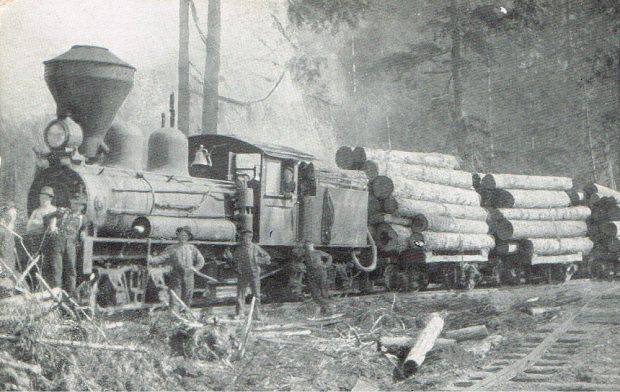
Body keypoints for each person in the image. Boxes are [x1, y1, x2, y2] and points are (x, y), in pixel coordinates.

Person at [148, 226, 205, 308]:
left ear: (188, 237)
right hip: (176, 275)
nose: (183, 237)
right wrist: (151, 259)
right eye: (181, 235)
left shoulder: (192, 248)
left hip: (189, 275)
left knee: (187, 297)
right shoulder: (171, 248)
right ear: (178, 236)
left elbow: (201, 260)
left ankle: (185, 315)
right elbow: (161, 258)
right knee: (175, 297)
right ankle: (174, 316)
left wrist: (195, 269)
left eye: (185, 236)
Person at [44, 195, 87, 296]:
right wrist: (55, 213)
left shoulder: (83, 218)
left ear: (82, 207)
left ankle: (71, 295)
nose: (74, 206)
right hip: (58, 243)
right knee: (56, 269)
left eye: (77, 204)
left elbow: (86, 230)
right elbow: (46, 218)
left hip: (71, 245)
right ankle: (56, 294)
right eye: (73, 203)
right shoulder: (64, 213)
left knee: (71, 270)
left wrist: (84, 233)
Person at [232, 229, 271, 319]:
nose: (244, 240)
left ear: (250, 238)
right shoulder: (239, 249)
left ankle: (257, 314)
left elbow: (267, 257)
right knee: (240, 294)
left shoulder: (256, 248)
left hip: (254, 274)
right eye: (243, 238)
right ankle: (239, 313)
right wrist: (236, 266)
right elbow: (234, 259)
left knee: (256, 294)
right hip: (243, 274)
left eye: (246, 238)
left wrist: (258, 261)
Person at [25, 186, 57, 289]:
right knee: (35, 265)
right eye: (41, 197)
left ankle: (45, 288)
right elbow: (28, 228)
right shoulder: (36, 211)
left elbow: (51, 227)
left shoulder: (53, 210)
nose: (42, 199)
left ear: (50, 198)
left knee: (46, 265)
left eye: (45, 197)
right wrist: (41, 224)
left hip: (47, 241)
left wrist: (36, 224)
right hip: (35, 241)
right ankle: (35, 288)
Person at [303, 240, 332, 316]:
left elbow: (329, 256)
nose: (308, 246)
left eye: (309, 244)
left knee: (323, 290)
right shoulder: (305, 254)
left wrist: (326, 265)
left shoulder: (318, 252)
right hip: (311, 273)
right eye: (307, 245)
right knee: (315, 292)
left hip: (320, 272)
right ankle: (324, 307)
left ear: (312, 245)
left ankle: (327, 309)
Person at [0, 202, 19, 287]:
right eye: (12, 215)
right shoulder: (1, 230)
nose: (13, 218)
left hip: (10, 268)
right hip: (3, 269)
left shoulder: (10, 229)